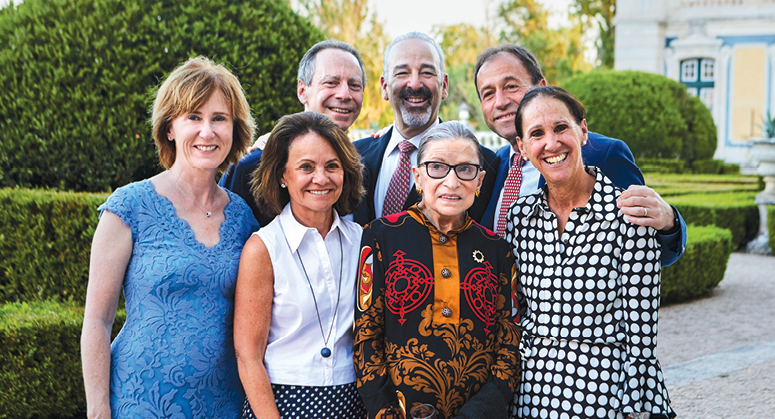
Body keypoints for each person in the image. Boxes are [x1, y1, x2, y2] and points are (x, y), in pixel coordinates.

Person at [81, 56, 259, 418]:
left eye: (219, 119)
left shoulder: (243, 217)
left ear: (234, 129)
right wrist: (98, 409)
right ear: (169, 128)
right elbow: (97, 322)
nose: (207, 132)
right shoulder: (129, 206)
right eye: (193, 117)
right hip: (138, 401)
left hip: (222, 404)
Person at [506, 86, 674, 419]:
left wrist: (633, 407)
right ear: (523, 148)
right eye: (537, 134)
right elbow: (520, 311)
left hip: (600, 394)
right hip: (528, 394)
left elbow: (641, 333)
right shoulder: (520, 216)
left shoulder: (629, 215)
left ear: (582, 131)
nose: (551, 143)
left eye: (560, 127)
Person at [355, 121, 521, 419]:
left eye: (466, 169)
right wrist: (385, 412)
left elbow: (508, 346)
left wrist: (478, 413)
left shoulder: (498, 250)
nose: (452, 181)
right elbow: (366, 336)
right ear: (418, 176)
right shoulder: (382, 236)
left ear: (480, 180)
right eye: (437, 167)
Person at [474, 44, 686, 267]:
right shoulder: (491, 164)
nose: (500, 101)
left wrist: (669, 222)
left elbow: (645, 248)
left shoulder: (602, 154)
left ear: (541, 86)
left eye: (510, 86)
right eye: (488, 94)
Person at [233, 112, 366, 418]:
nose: (321, 178)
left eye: (332, 166)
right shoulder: (263, 248)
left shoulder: (363, 241)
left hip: (352, 402)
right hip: (281, 403)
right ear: (282, 175)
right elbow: (248, 355)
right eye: (306, 167)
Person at [352, 32, 499, 226]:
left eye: (427, 72)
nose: (414, 83)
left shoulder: (483, 164)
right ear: (384, 87)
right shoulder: (354, 156)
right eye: (402, 72)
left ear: (444, 85)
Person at [219, 40, 366, 226]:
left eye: (354, 85)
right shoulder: (251, 168)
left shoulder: (363, 164)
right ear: (302, 90)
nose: (344, 94)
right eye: (331, 82)